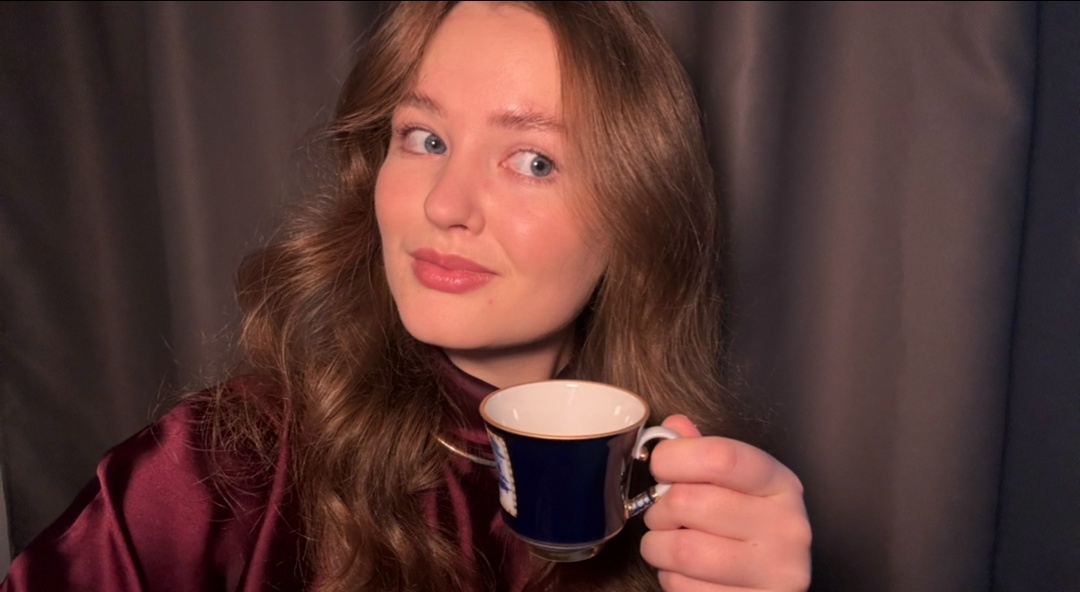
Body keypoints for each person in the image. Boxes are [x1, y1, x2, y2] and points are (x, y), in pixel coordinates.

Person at [2, 2, 811, 591]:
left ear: (635, 216)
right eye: (425, 139)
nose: (444, 204)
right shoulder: (219, 473)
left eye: (533, 160)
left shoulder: (689, 515)